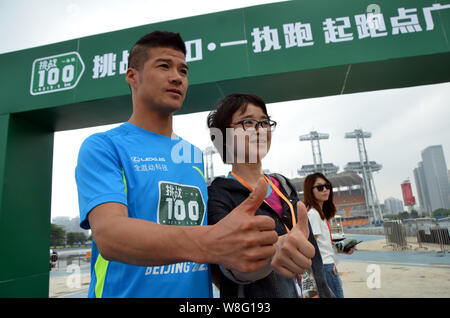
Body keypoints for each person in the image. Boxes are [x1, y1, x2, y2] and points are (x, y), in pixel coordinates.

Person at [75, 31, 279, 298]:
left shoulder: (192, 156)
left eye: (183, 70)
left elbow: (213, 263)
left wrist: (267, 257)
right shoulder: (103, 146)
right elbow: (110, 235)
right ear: (132, 76)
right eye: (164, 66)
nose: (177, 77)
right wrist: (211, 241)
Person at [206, 93, 334, 298]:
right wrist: (273, 252)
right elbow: (230, 264)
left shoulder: (284, 186)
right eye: (248, 122)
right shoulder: (217, 196)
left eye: (265, 122)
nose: (260, 130)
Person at [303, 172, 354, 298]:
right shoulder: (313, 214)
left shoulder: (318, 213)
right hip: (325, 267)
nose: (325, 189)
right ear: (311, 191)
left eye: (327, 186)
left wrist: (341, 250)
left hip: (326, 266)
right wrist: (326, 268)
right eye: (320, 187)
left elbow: (322, 245)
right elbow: (311, 246)